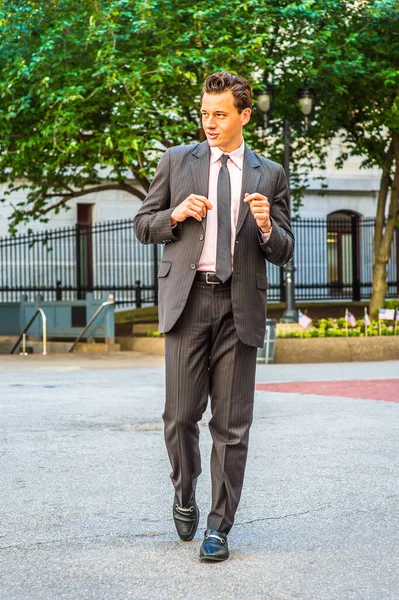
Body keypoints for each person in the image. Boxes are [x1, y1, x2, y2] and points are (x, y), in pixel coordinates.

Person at [134, 71, 294, 562]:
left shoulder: (270, 174)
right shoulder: (177, 162)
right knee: (179, 417)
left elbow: (285, 251)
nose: (209, 122)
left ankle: (219, 527)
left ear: (244, 116)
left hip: (239, 305)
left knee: (232, 424)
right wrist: (176, 215)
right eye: (204, 113)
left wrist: (267, 227)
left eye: (219, 114)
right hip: (188, 302)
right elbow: (143, 225)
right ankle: (184, 493)